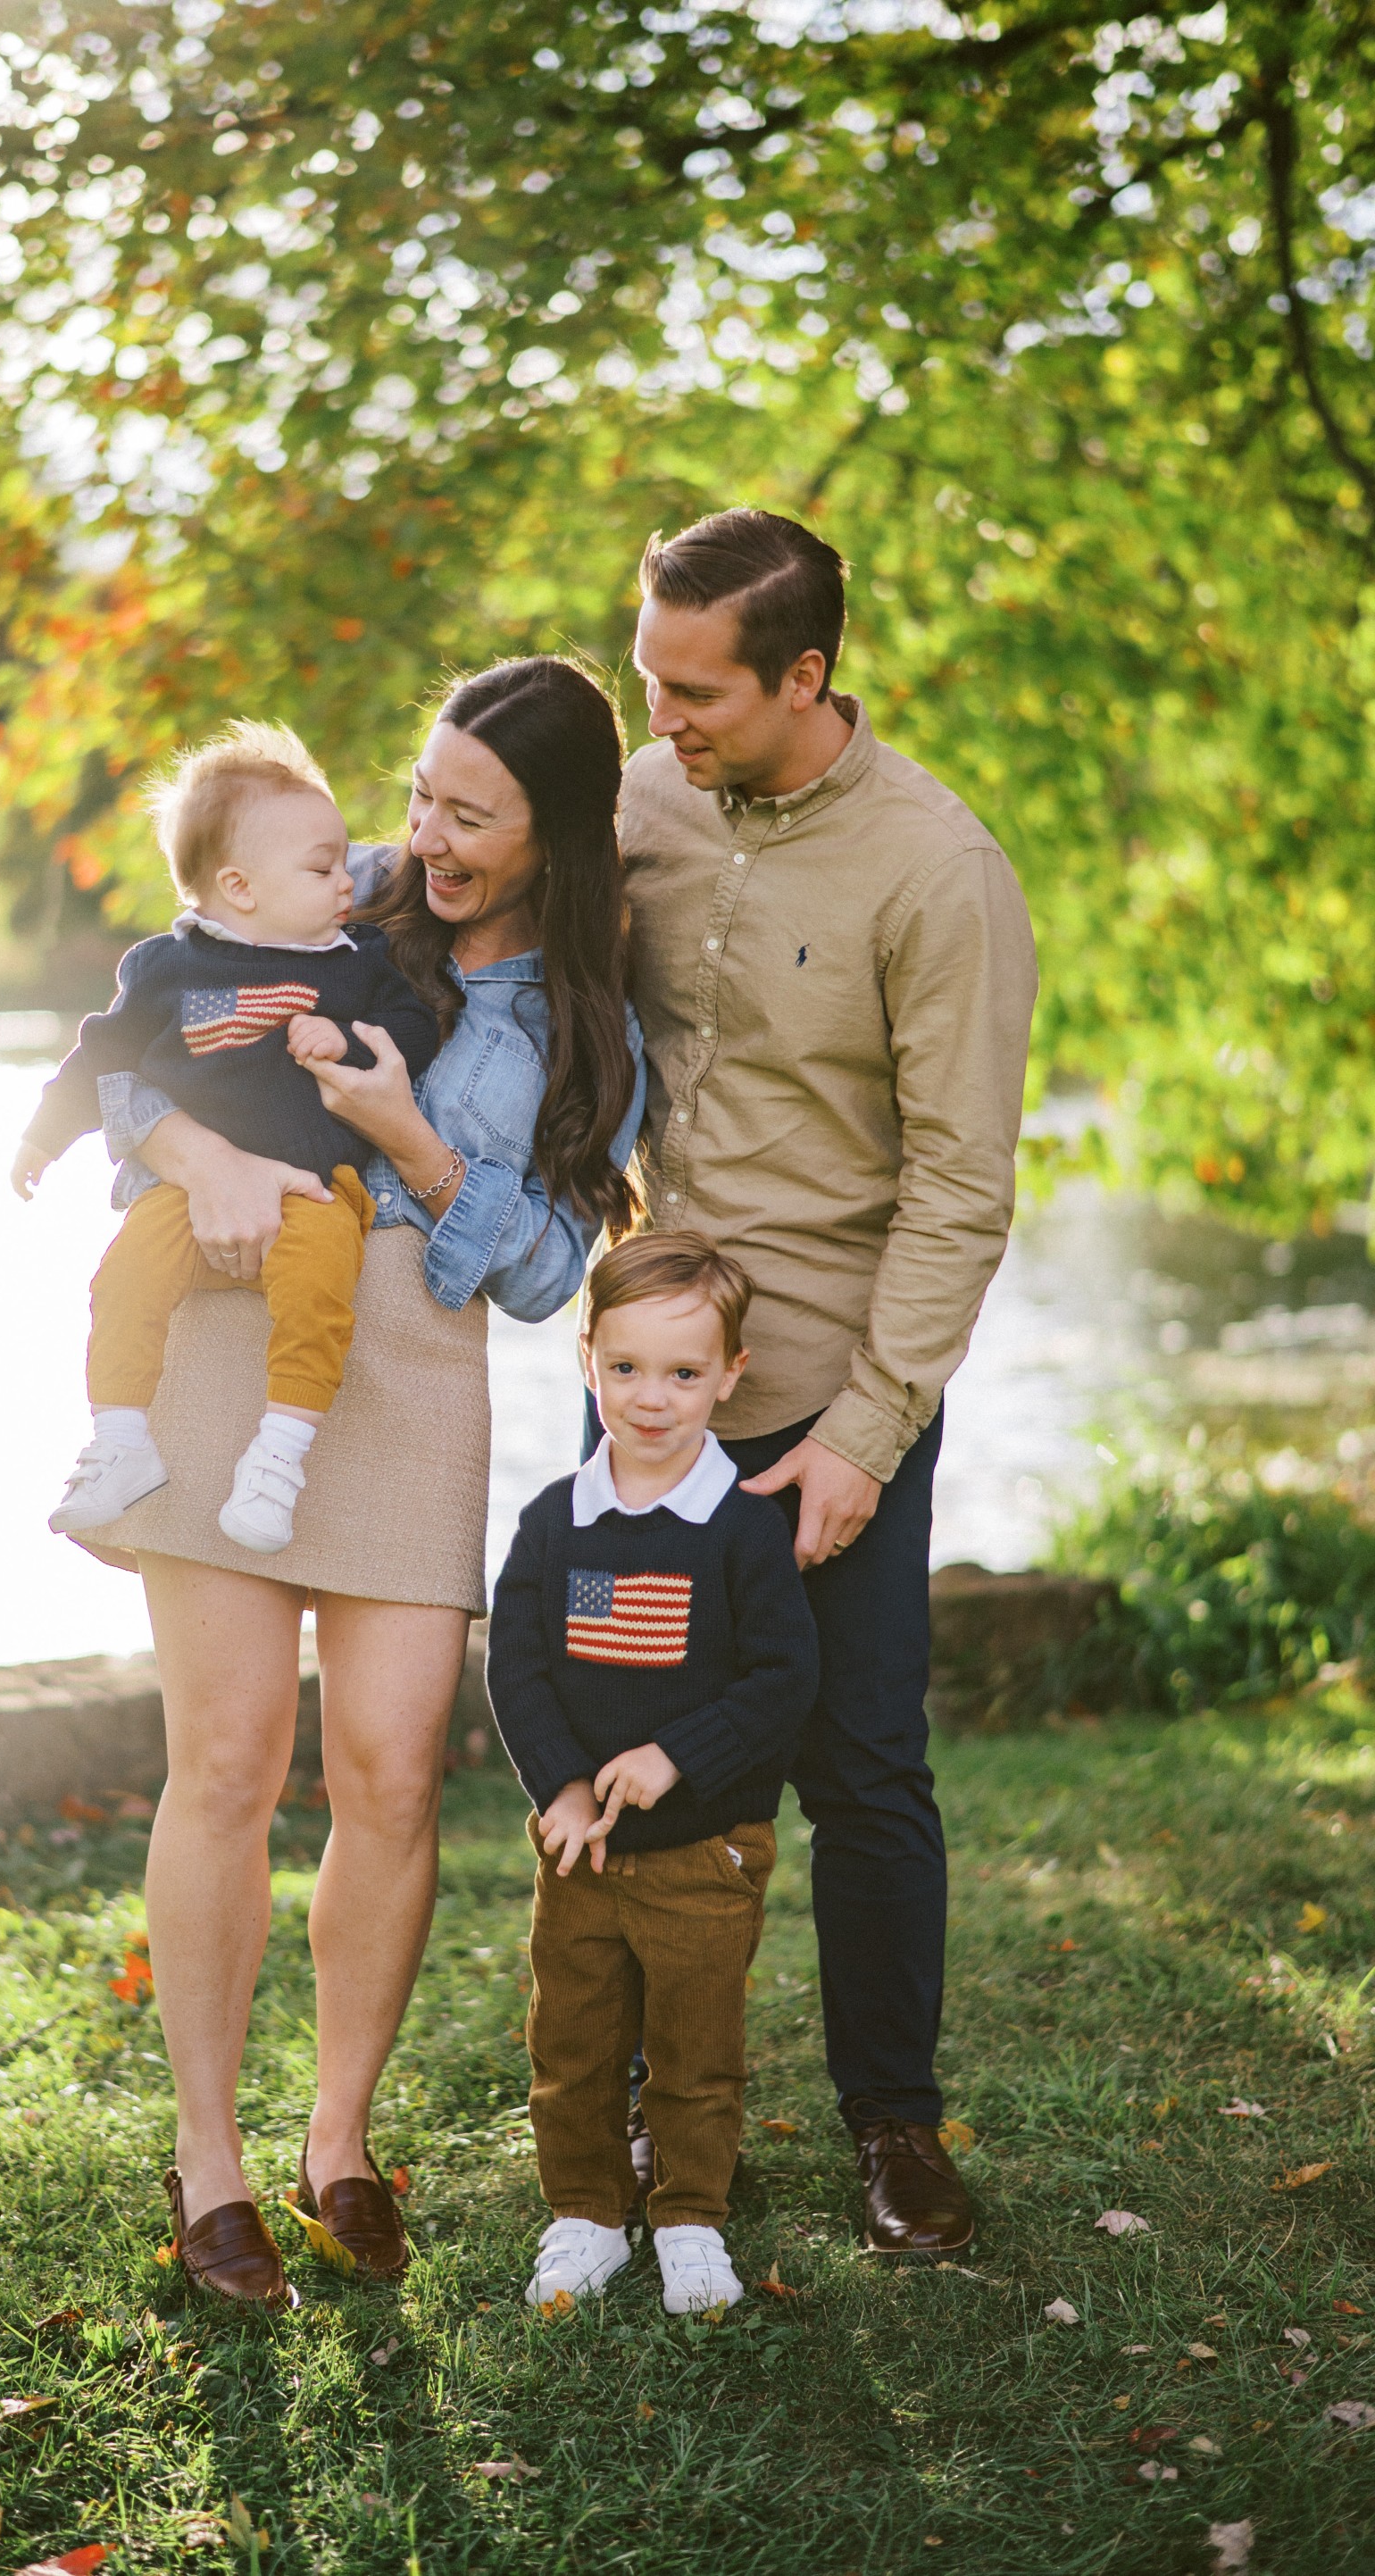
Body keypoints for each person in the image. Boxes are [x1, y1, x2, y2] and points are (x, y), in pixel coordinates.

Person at [72, 657, 646, 2306]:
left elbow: (543, 1274)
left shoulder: (590, 1008)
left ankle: (339, 2141)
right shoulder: (318, 895)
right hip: (236, 1326)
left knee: (391, 1770)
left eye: (473, 817)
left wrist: (413, 1146)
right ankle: (208, 2168)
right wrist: (208, 1156)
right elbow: (127, 1071)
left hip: (414, 1373)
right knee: (232, 1756)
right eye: (421, 796)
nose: (426, 838)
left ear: (561, 834)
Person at [619, 507, 1038, 2257]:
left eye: (699, 688)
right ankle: (658, 2111)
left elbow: (962, 1187)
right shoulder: (637, 799)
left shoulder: (942, 873)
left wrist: (867, 1431)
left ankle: (896, 2127)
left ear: (806, 675)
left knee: (863, 1767)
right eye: (649, 677)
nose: (668, 716)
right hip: (651, 1383)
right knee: (656, 1762)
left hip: (833, 1391)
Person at [488, 1231, 819, 2314]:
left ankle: (689, 2218)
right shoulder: (554, 1522)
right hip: (581, 1852)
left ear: (731, 1373)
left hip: (702, 1853)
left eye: (684, 1372)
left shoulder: (742, 1531)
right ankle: (585, 2213)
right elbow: (520, 1664)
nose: (652, 1397)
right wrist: (565, 1786)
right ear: (588, 1361)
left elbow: (783, 1678)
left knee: (692, 2048)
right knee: (572, 2043)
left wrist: (676, 1753)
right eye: (626, 1367)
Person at [12, 724, 439, 1554]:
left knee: (320, 1292)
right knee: (123, 1278)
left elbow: (414, 1030)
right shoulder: (166, 968)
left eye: (342, 858)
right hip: (180, 1192)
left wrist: (344, 1041)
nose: (345, 881)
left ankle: (279, 1456)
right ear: (239, 886)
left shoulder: (358, 963)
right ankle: (121, 1439)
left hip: (318, 1187)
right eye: (321, 869)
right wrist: (43, 1134)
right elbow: (101, 1052)